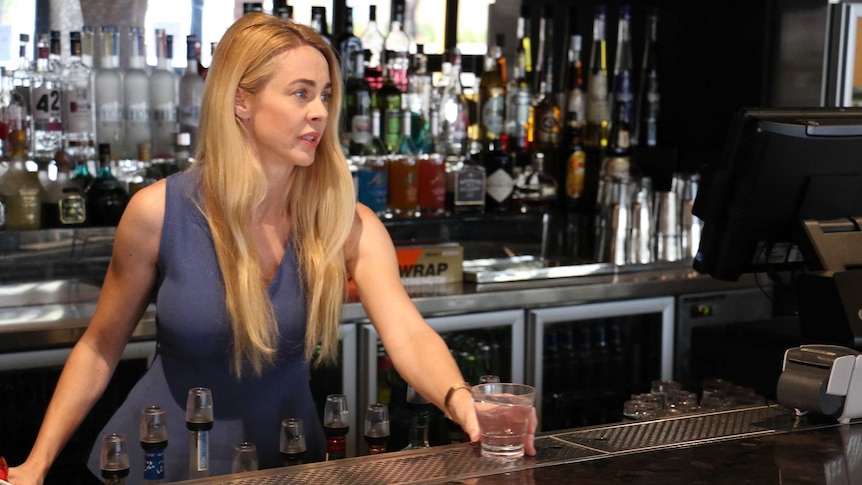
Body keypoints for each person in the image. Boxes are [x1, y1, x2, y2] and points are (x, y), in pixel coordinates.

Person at [7, 13, 536, 485]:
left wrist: (462, 400)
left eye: (325, 94)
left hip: (287, 465)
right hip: (157, 464)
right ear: (241, 100)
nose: (319, 112)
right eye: (300, 93)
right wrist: (36, 466)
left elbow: (409, 335)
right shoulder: (156, 212)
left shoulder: (345, 223)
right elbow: (99, 348)